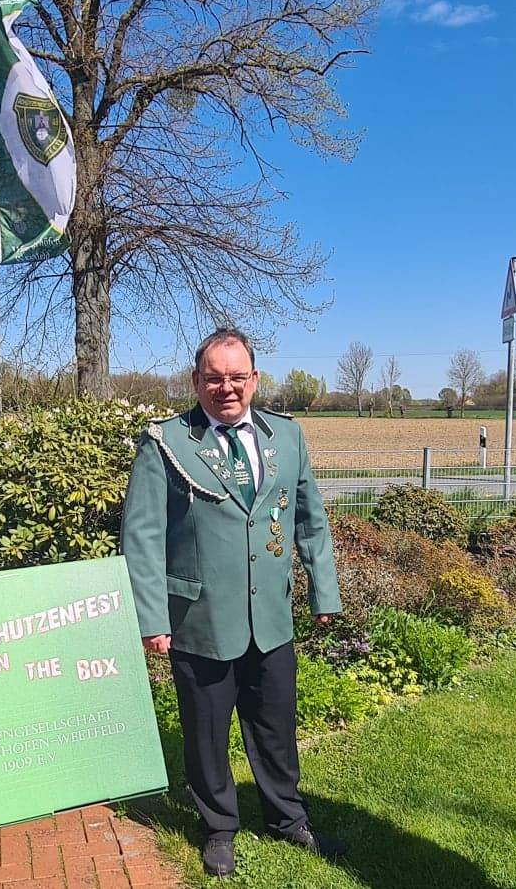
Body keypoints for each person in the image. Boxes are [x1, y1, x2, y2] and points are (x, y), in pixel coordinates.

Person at [122, 327, 347, 877]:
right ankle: (219, 827)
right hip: (199, 618)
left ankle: (287, 818)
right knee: (206, 732)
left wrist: (324, 590)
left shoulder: (286, 437)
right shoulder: (166, 443)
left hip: (270, 616)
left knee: (276, 726)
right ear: (196, 380)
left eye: (238, 377)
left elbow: (310, 518)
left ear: (255, 379)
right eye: (215, 378)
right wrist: (152, 617)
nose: (227, 388)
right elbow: (143, 537)